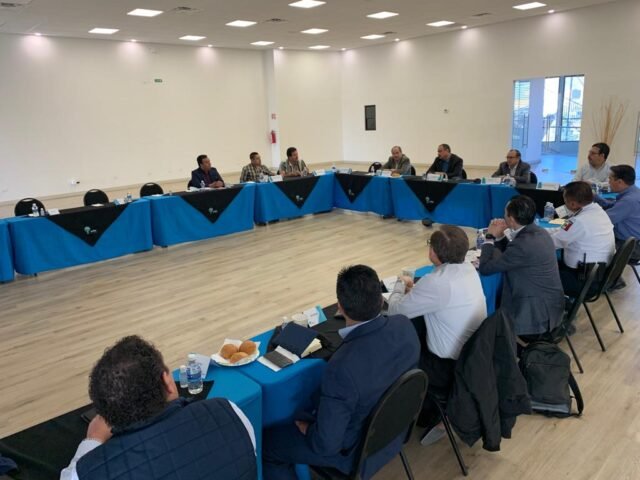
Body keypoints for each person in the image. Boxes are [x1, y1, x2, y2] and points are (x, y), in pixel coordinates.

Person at [263, 265, 420, 480]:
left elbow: (326, 445)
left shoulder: (342, 367)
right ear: (380, 298)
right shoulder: (403, 324)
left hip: (356, 453)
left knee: (268, 443)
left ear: (340, 307)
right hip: (394, 432)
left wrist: (307, 428)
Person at [61, 336, 256, 480]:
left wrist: (93, 439)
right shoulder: (230, 412)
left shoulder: (86, 472)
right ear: (168, 382)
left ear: (107, 415)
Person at [387, 225, 487, 446]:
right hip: (473, 358)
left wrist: (399, 285)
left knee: (395, 352)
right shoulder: (468, 269)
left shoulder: (437, 282)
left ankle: (398, 419)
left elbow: (395, 311)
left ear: (433, 252)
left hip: (445, 366)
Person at [478, 195, 565, 337]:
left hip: (536, 315)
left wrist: (489, 237)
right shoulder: (540, 232)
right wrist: (500, 237)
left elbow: (485, 268)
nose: (503, 216)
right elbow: (512, 254)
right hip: (551, 305)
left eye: (505, 213)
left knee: (488, 324)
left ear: (511, 219)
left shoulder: (523, 244)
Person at [549, 181, 615, 296]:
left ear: (573, 204)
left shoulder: (578, 221)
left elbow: (552, 243)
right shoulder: (599, 212)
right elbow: (562, 229)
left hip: (583, 280)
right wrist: (540, 231)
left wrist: (532, 236)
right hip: (598, 275)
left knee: (537, 274)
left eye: (565, 201)